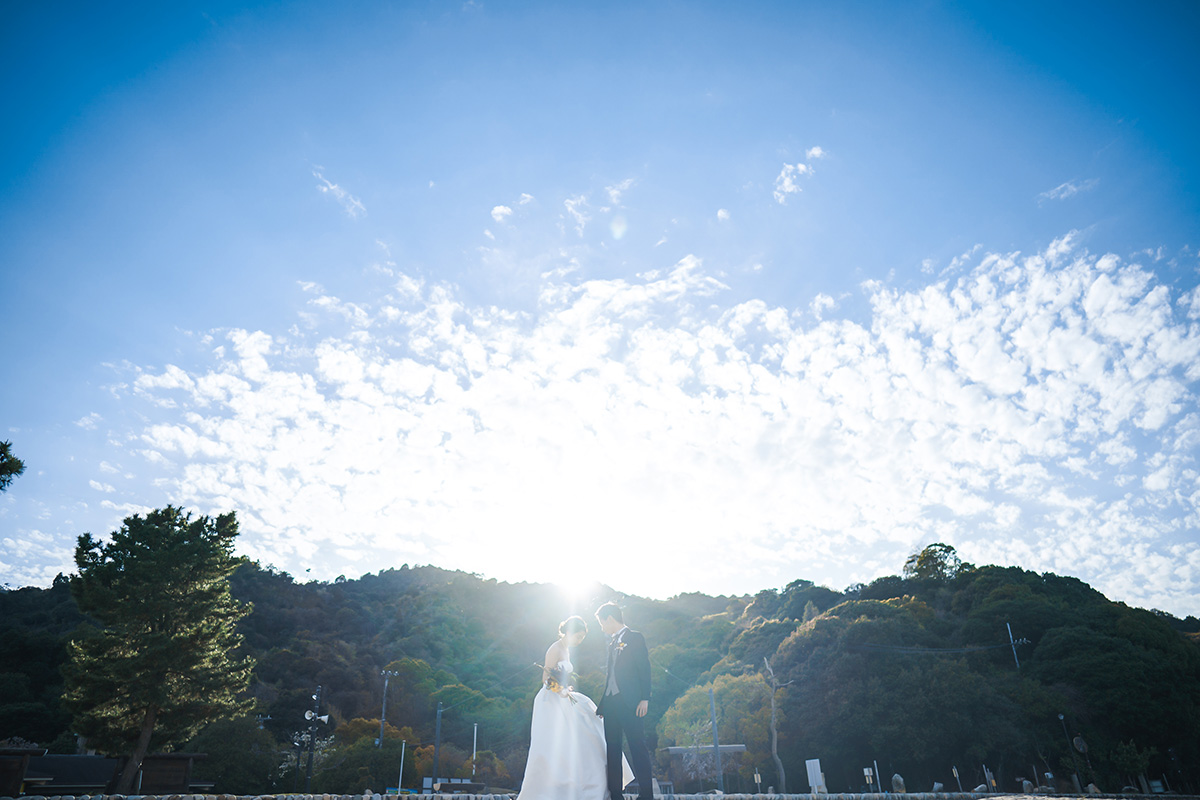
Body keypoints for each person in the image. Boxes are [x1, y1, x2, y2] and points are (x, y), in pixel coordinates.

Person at [517, 615, 632, 800]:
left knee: (591, 726)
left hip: (563, 695)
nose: (580, 641)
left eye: (582, 638)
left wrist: (565, 689)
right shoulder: (555, 648)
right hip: (551, 700)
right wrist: (560, 690)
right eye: (578, 637)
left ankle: (595, 783)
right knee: (556, 744)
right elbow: (546, 679)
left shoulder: (566, 649)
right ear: (569, 632)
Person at [595, 602, 654, 800]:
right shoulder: (611, 643)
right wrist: (604, 704)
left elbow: (644, 669)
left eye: (602, 623)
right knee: (612, 749)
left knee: (638, 746)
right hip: (611, 704)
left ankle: (647, 795)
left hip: (632, 703)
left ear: (610, 619)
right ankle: (615, 795)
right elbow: (610, 675)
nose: (602, 627)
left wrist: (644, 698)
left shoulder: (635, 637)